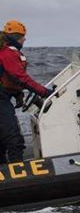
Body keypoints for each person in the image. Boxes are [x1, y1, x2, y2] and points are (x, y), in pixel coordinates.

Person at [0, 20, 53, 163]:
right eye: (23, 36)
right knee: (14, 139)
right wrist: (44, 91)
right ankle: (16, 175)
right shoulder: (7, 53)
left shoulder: (7, 52)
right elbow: (20, 77)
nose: (25, 39)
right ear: (15, 37)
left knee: (3, 139)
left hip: (4, 97)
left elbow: (10, 78)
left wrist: (17, 93)